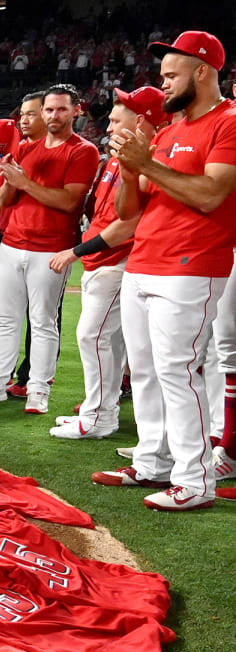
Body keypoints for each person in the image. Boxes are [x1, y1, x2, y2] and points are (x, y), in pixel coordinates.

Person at [94, 31, 236, 510]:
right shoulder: (169, 131)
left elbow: (210, 195)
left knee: (179, 371)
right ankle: (153, 461)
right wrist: (130, 167)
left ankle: (195, 481)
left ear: (203, 70)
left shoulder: (229, 122)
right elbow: (130, 210)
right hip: (144, 262)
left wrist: (146, 165)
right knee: (149, 371)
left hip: (191, 265)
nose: (164, 85)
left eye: (172, 75)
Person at [0, 84, 96, 412]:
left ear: (76, 111)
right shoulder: (23, 149)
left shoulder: (83, 151)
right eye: (49, 109)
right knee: (7, 319)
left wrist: (24, 183)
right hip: (11, 244)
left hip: (51, 248)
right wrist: (8, 179)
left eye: (61, 109)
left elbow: (69, 202)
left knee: (43, 320)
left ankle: (38, 389)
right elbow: (4, 198)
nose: (54, 115)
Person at [46, 87, 162, 440]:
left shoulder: (149, 157)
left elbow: (129, 222)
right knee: (104, 340)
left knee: (94, 337)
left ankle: (99, 416)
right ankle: (101, 410)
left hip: (118, 258)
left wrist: (76, 251)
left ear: (140, 121)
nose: (108, 128)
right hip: (102, 259)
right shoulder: (116, 157)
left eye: (115, 120)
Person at [0, 95, 47, 395]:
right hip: (6, 239)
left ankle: (33, 378)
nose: (24, 120)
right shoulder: (15, 152)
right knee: (1, 313)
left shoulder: (65, 149)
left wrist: (23, 183)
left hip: (43, 242)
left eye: (32, 114)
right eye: (22, 115)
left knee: (39, 318)